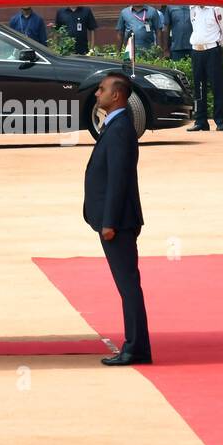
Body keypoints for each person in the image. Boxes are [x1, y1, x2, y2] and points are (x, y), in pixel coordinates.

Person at [84, 72, 151, 366]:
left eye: (102, 90)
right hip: (115, 221)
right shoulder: (113, 125)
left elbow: (119, 180)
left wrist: (108, 221)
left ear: (117, 96)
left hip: (119, 222)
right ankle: (135, 345)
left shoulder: (121, 127)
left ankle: (135, 347)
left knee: (128, 287)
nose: (97, 94)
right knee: (127, 286)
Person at [186, 4, 223, 132]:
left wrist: (216, 46)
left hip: (212, 50)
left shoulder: (216, 9)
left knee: (217, 86)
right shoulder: (192, 8)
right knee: (198, 87)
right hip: (196, 50)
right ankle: (200, 121)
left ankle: (220, 121)